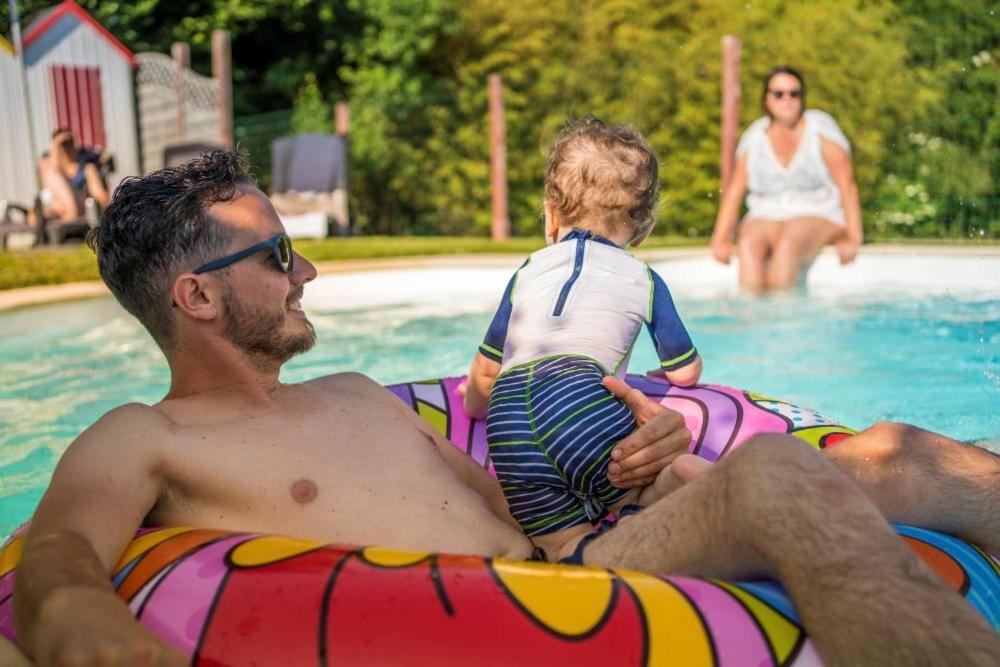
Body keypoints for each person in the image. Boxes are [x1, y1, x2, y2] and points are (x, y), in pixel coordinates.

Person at [12, 151, 999, 667]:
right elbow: (57, 545)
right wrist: (73, 616)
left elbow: (514, 498)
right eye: (277, 255)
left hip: (578, 561)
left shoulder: (357, 395)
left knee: (898, 454)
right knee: (782, 475)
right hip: (503, 618)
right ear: (195, 297)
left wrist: (645, 462)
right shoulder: (146, 435)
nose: (307, 268)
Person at [462, 119, 702, 561]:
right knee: (639, 493)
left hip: (509, 418)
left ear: (550, 213)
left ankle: (574, 560)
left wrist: (475, 404)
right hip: (583, 400)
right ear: (643, 230)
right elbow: (685, 371)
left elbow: (484, 377)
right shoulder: (643, 278)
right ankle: (674, 492)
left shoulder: (528, 270)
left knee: (559, 544)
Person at [710, 67, 863, 291]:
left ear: (802, 98)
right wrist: (720, 239)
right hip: (765, 213)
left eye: (795, 93)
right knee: (748, 244)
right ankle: (751, 318)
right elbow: (734, 192)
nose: (787, 100)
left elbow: (847, 186)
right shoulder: (754, 137)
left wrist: (853, 237)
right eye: (779, 94)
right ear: (766, 99)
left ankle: (783, 320)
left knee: (788, 244)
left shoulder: (820, 131)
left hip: (818, 212)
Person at [34, 129, 109, 226]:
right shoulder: (50, 166)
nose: (67, 148)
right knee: (50, 174)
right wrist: (56, 143)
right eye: (63, 144)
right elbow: (49, 173)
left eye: (70, 143)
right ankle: (66, 214)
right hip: (58, 206)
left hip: (80, 205)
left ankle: (70, 213)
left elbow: (99, 195)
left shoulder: (87, 168)